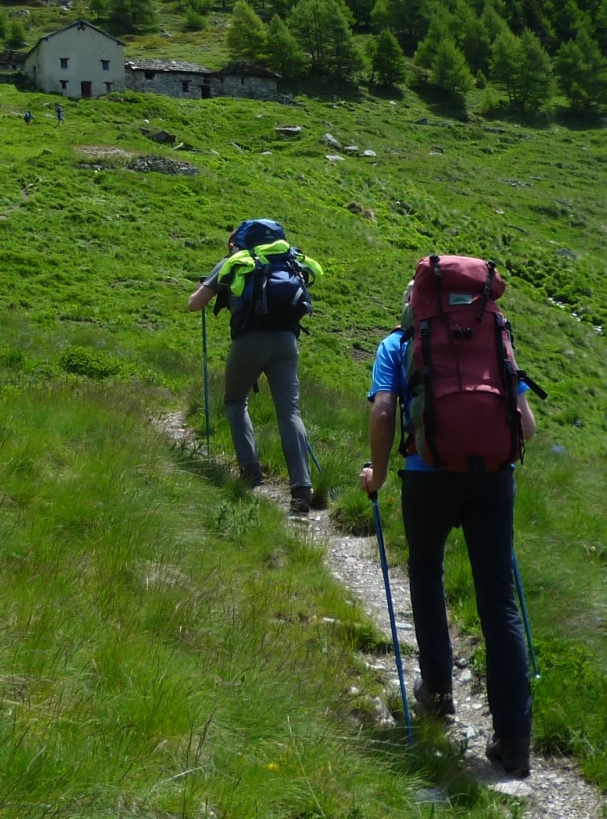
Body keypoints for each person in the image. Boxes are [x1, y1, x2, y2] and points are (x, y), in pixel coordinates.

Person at [359, 273, 538, 778]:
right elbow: (527, 428)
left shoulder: (397, 345)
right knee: (498, 601)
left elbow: (384, 411)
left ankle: (437, 693)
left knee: (425, 572)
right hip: (493, 479)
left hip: (426, 476)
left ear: (413, 304)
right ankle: (514, 741)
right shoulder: (493, 337)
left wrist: (377, 475)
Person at [186, 219, 323, 516]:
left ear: (237, 242)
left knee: (235, 401)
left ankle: (250, 472)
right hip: (287, 341)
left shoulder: (235, 261)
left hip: (249, 341)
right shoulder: (286, 261)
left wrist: (207, 285)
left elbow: (195, 304)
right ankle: (302, 489)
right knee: (289, 411)